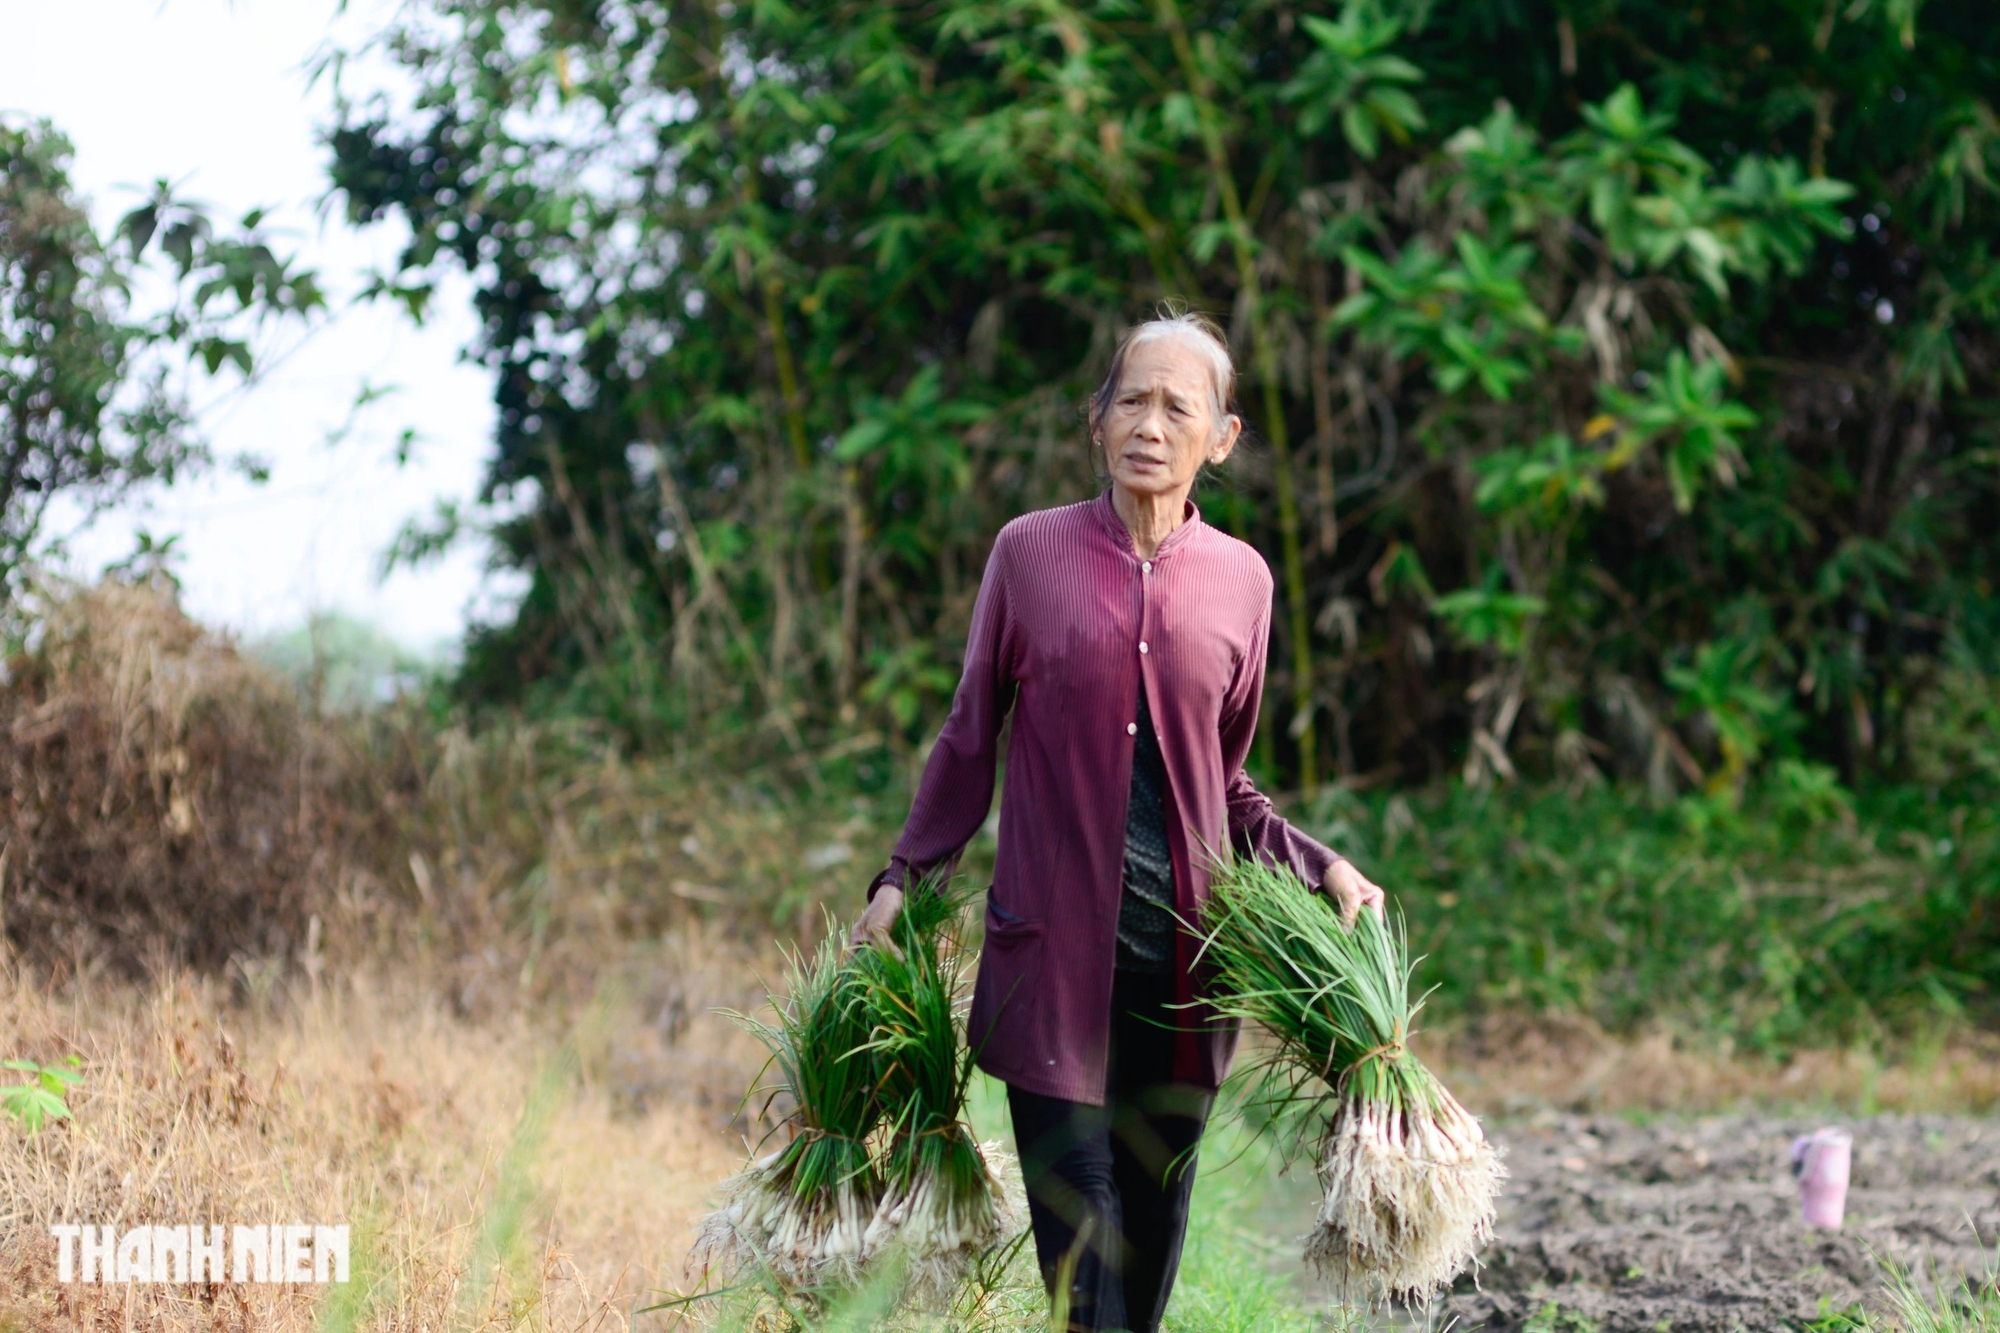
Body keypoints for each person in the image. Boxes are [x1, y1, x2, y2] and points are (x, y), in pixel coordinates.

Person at [847, 311, 1385, 1333]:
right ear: (1095, 420)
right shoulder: (1028, 555)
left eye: (1176, 405)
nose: (1148, 421)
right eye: (1129, 398)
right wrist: (901, 880)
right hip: (1046, 970)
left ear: (1219, 437)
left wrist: (1321, 866)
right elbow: (969, 737)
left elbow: (1223, 785)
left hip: (1183, 981)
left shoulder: (1242, 582)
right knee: (1082, 1264)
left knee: (1142, 1262)